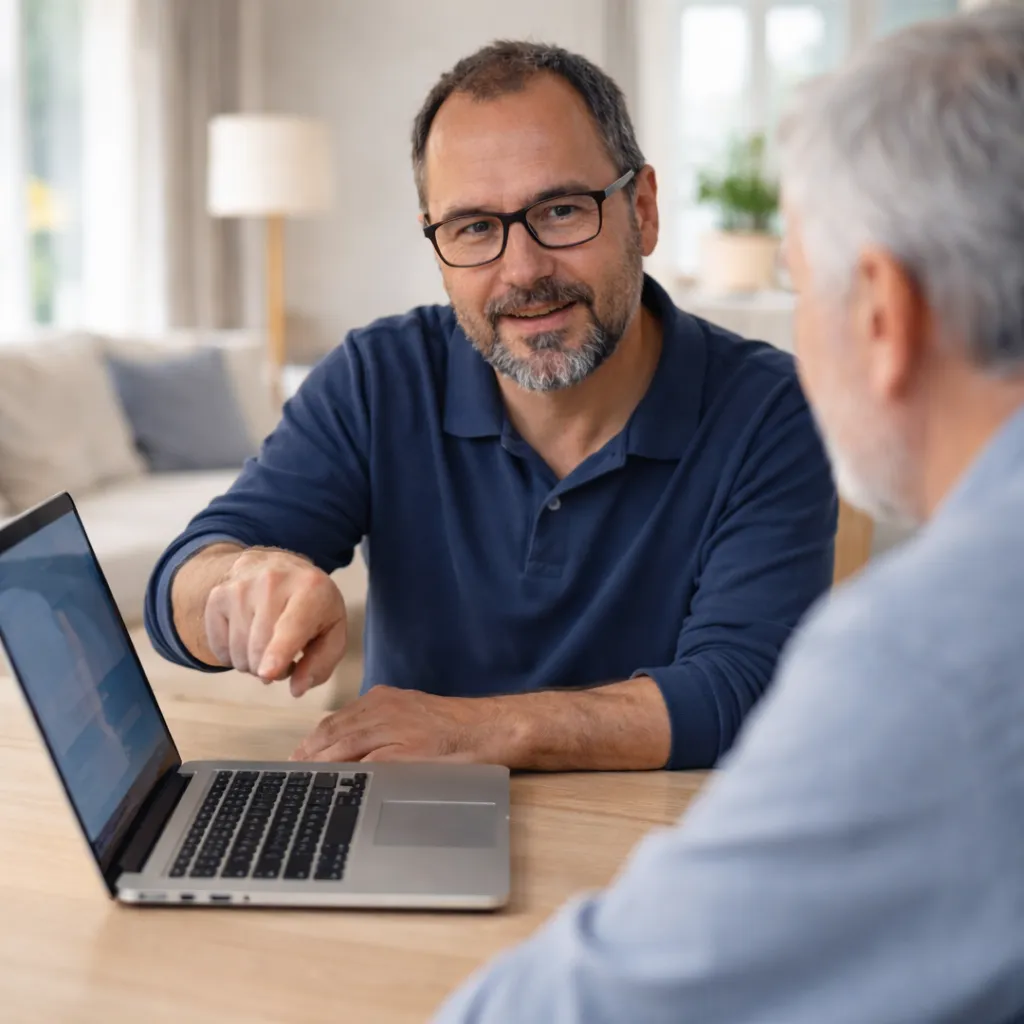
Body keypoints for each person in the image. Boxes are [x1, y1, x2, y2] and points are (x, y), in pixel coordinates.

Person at [432, 6, 1024, 1022]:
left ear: (879, 312)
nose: (521, 264)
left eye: (801, 281)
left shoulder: (929, 650)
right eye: (475, 227)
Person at [144, 42, 836, 771]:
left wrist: (477, 731)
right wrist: (236, 584)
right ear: (438, 246)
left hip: (656, 850)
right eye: (474, 227)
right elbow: (179, 583)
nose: (523, 271)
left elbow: (744, 692)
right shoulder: (378, 378)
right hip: (401, 843)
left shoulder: (774, 411)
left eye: (562, 211)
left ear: (643, 210)